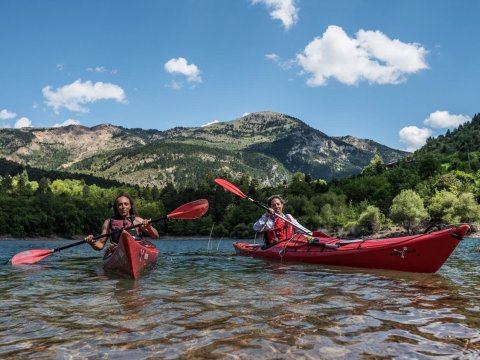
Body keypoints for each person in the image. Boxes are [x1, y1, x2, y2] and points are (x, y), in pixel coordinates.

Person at [84, 192, 159, 251]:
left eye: (126, 204)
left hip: (137, 249)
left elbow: (155, 237)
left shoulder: (138, 220)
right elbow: (100, 245)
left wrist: (149, 228)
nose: (123, 207)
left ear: (130, 207)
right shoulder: (108, 222)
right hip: (117, 251)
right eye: (120, 204)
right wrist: (92, 243)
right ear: (116, 207)